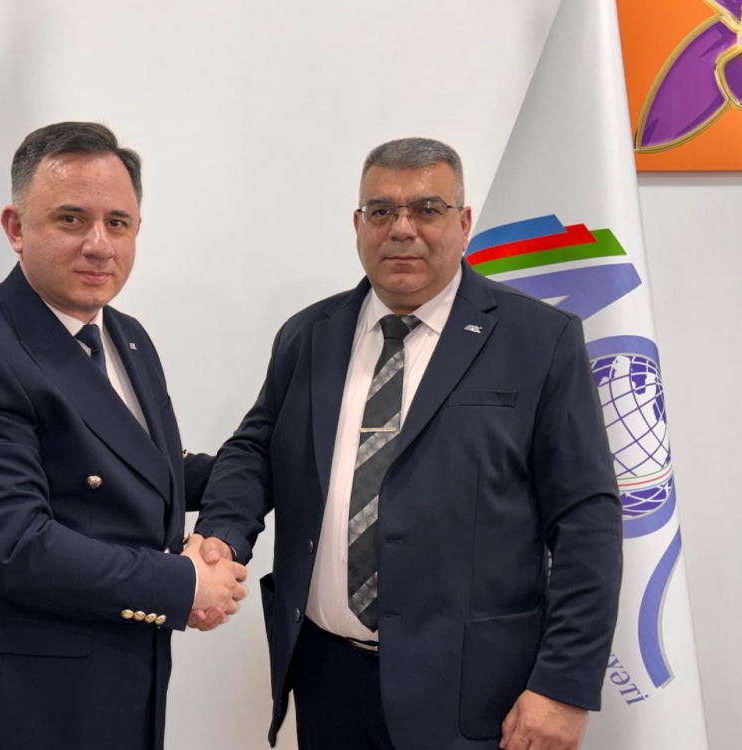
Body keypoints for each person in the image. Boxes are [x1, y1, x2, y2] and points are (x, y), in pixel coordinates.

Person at [192, 137, 622, 750]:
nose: (402, 229)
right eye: (381, 211)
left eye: (426, 209)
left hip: (476, 691)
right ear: (358, 225)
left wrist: (563, 685)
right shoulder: (309, 334)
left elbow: (586, 520)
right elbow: (256, 452)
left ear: (464, 223)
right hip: (325, 676)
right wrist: (221, 538)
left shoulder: (539, 340)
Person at [0, 121, 247, 750]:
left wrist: (251, 473)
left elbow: (153, 470)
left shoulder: (127, 337)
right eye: (70, 219)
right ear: (15, 228)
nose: (99, 244)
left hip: (121, 689)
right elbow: (18, 545)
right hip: (20, 708)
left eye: (118, 223)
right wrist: (185, 583)